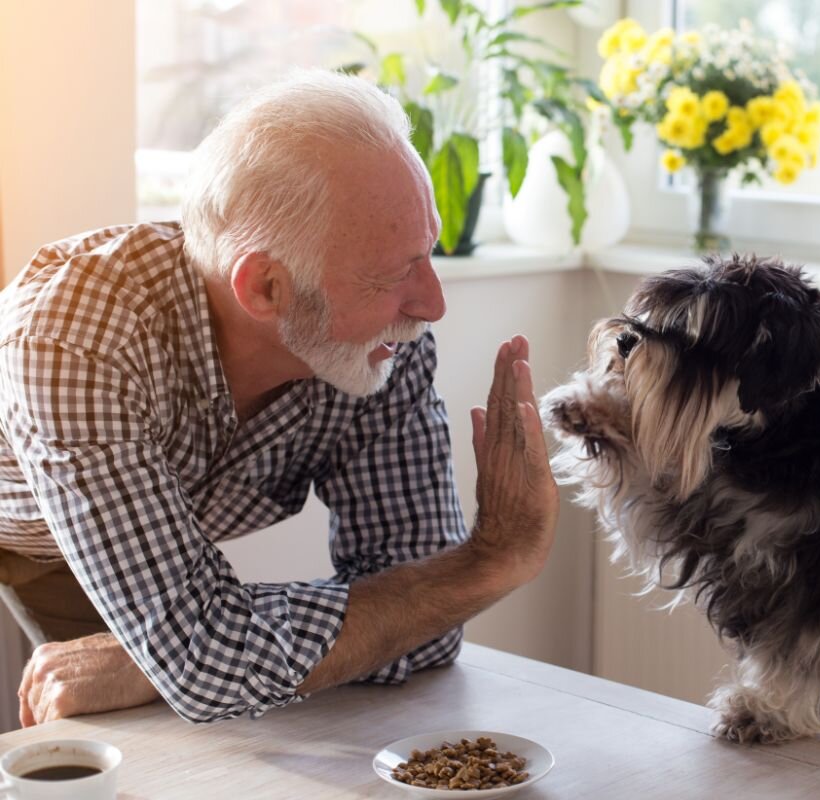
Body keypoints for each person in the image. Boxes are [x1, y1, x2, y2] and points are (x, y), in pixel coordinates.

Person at [0, 69, 559, 727]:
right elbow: (210, 665)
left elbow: (428, 626)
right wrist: (493, 560)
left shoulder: (379, 345)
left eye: (427, 252)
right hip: (22, 533)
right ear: (265, 288)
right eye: (393, 273)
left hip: (145, 534)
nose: (431, 304)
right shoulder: (74, 339)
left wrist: (188, 653)